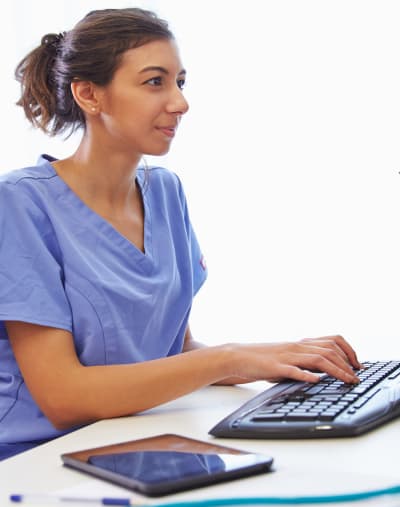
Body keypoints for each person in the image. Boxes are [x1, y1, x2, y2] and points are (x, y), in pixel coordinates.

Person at [0, 7, 362, 461]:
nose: (180, 102)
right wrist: (230, 358)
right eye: (155, 82)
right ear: (90, 95)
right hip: (37, 458)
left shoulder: (165, 191)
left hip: (135, 438)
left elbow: (178, 348)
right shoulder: (20, 202)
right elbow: (63, 396)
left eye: (180, 82)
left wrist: (275, 360)